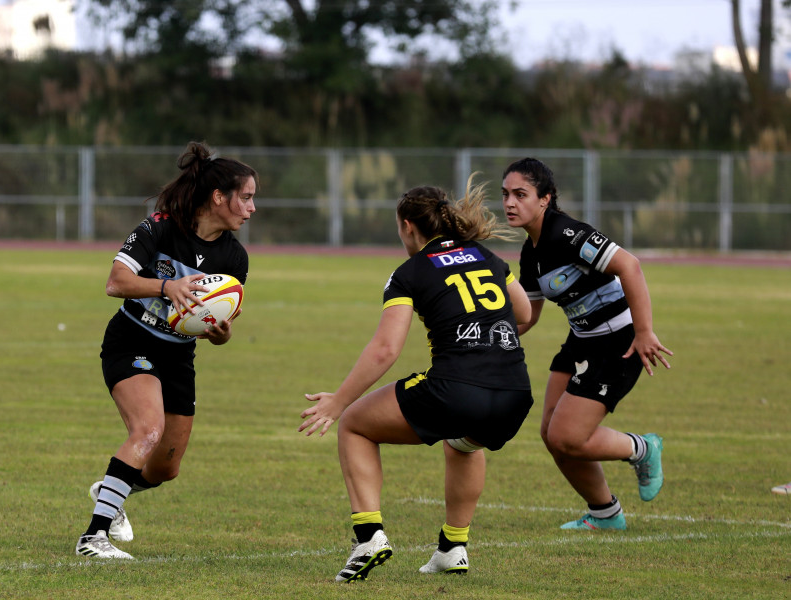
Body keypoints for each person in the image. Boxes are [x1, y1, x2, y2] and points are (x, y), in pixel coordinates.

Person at [299, 175, 534, 582]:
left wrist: (338, 401)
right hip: (515, 394)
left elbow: (385, 349)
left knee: (354, 424)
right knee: (463, 443)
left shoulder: (410, 271)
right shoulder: (486, 256)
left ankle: (369, 535)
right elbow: (525, 315)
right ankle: (452, 547)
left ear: (408, 226)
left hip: (457, 389)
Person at [75, 141, 258, 559]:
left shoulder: (235, 257)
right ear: (218, 197)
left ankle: (111, 488)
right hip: (132, 339)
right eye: (245, 197)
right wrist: (165, 286)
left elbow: (217, 321)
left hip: (179, 355)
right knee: (148, 429)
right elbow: (115, 283)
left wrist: (220, 333)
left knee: (164, 467)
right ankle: (93, 537)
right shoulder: (159, 227)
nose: (251, 208)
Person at [501, 157, 672, 531]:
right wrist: (487, 330)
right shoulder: (531, 252)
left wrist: (644, 332)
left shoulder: (566, 233)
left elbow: (630, 266)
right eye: (506, 195)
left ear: (545, 198)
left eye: (520, 194)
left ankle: (643, 448)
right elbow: (528, 315)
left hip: (618, 342)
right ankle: (605, 514)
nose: (509, 203)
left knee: (567, 436)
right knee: (551, 434)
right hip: (581, 340)